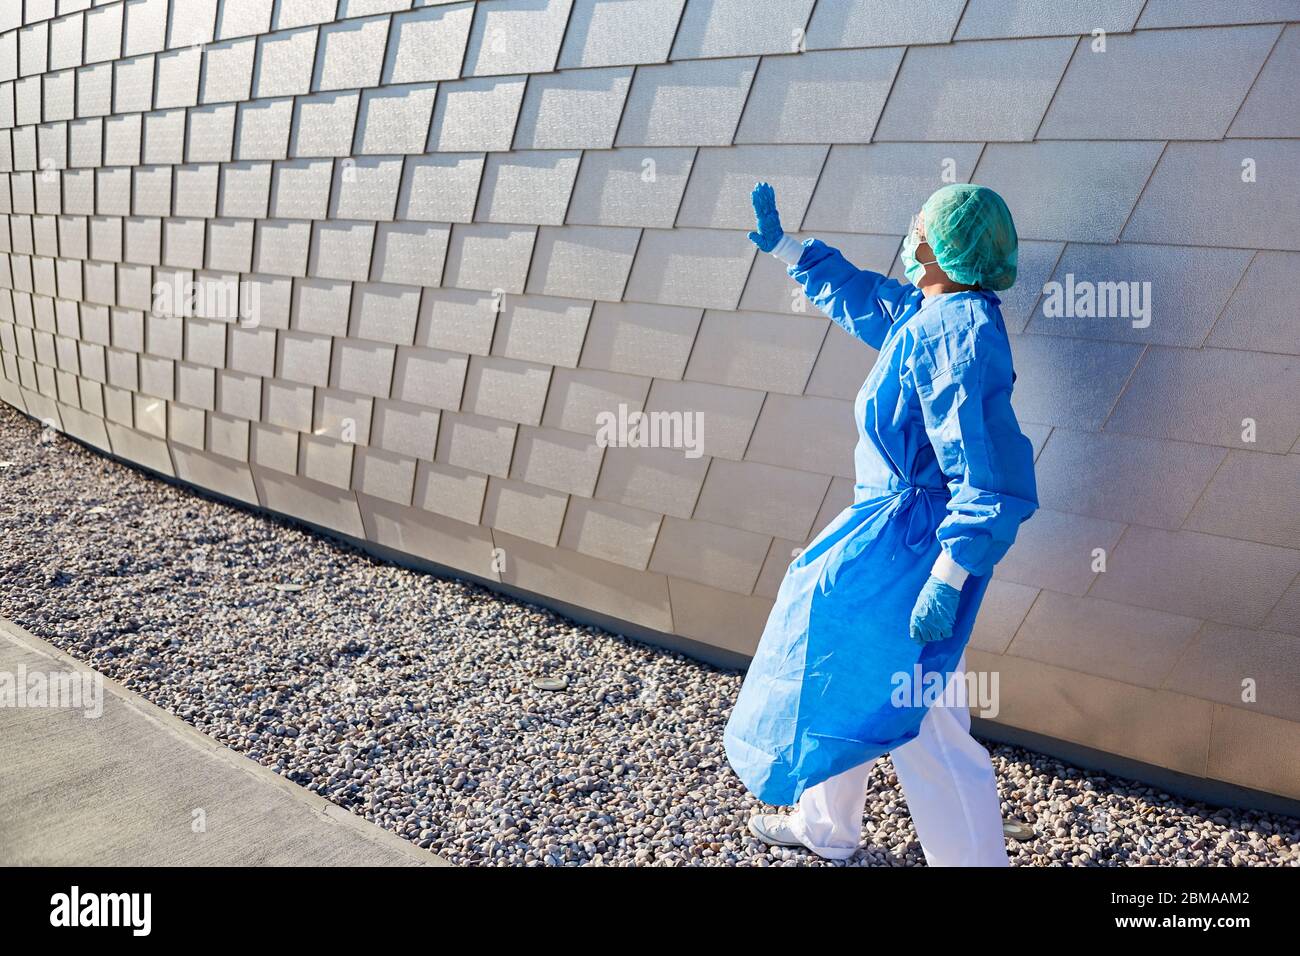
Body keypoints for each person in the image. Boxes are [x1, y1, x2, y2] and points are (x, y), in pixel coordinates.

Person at [723, 182, 1038, 866]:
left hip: (913, 553)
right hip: (887, 541)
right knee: (844, 674)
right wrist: (789, 250)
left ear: (940, 246)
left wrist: (949, 576)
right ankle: (825, 827)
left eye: (919, 227)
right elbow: (868, 300)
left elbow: (989, 476)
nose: (909, 237)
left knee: (921, 713)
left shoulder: (959, 330)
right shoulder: (930, 315)